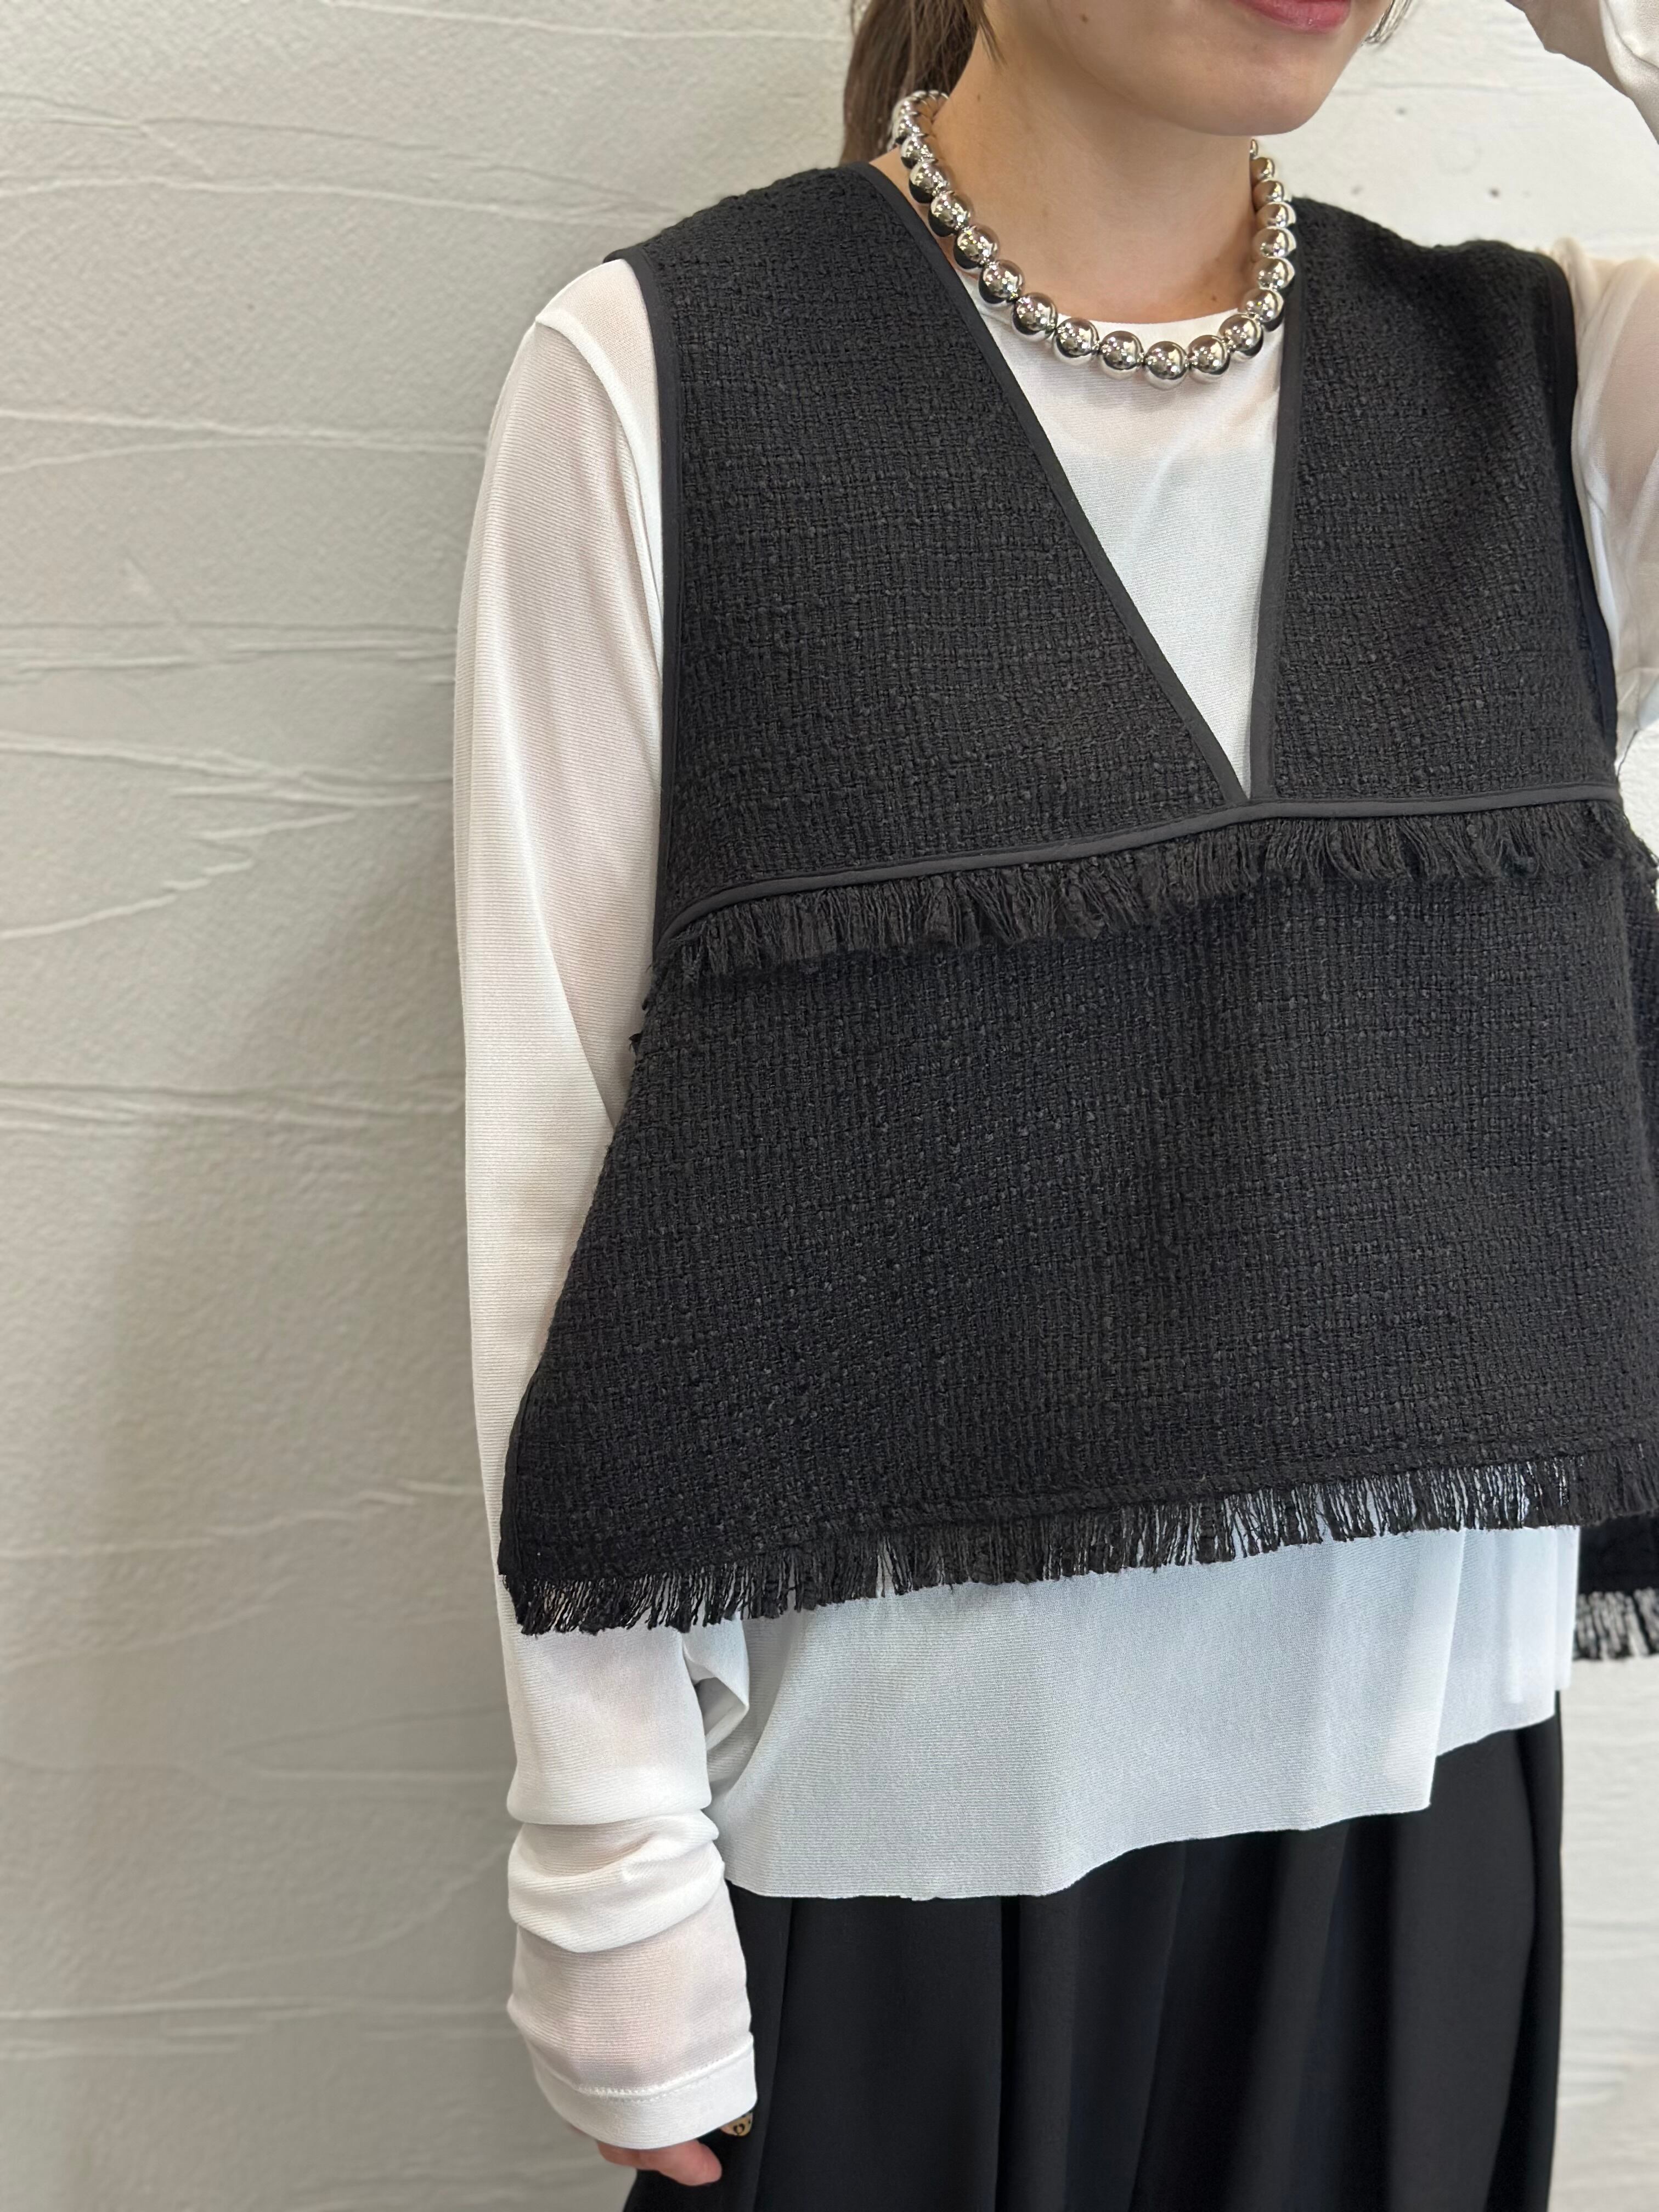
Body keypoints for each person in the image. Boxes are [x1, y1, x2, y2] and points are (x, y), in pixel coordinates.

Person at [450, 0, 1659, 2204]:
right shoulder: (663, 380)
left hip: (1422, 1831)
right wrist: (605, 1855)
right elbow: (556, 1157)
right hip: (899, 1871)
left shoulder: (1556, 384)